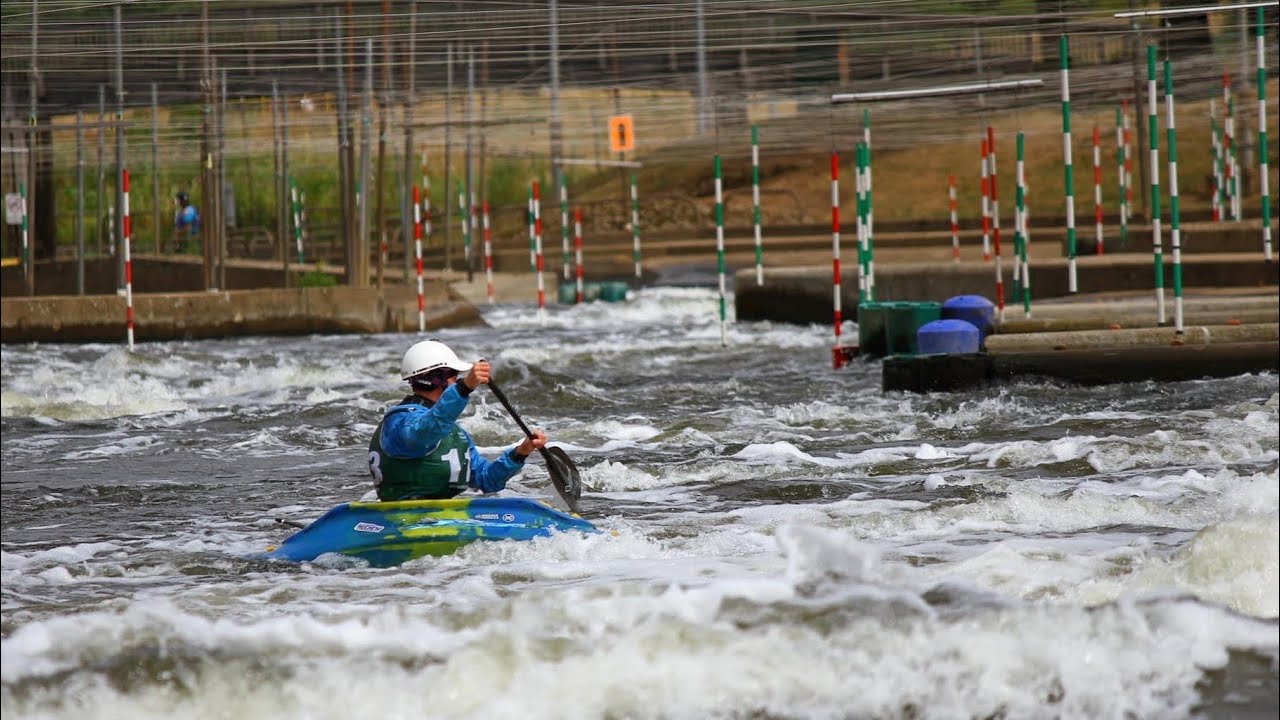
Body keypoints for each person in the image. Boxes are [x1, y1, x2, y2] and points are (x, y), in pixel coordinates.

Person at [368, 339, 547, 501]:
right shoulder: (399, 421)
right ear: (437, 379)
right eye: (454, 376)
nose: (458, 381)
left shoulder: (453, 431)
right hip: (399, 514)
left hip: (440, 516)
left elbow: (487, 480)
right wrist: (464, 388)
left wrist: (520, 453)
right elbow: (421, 435)